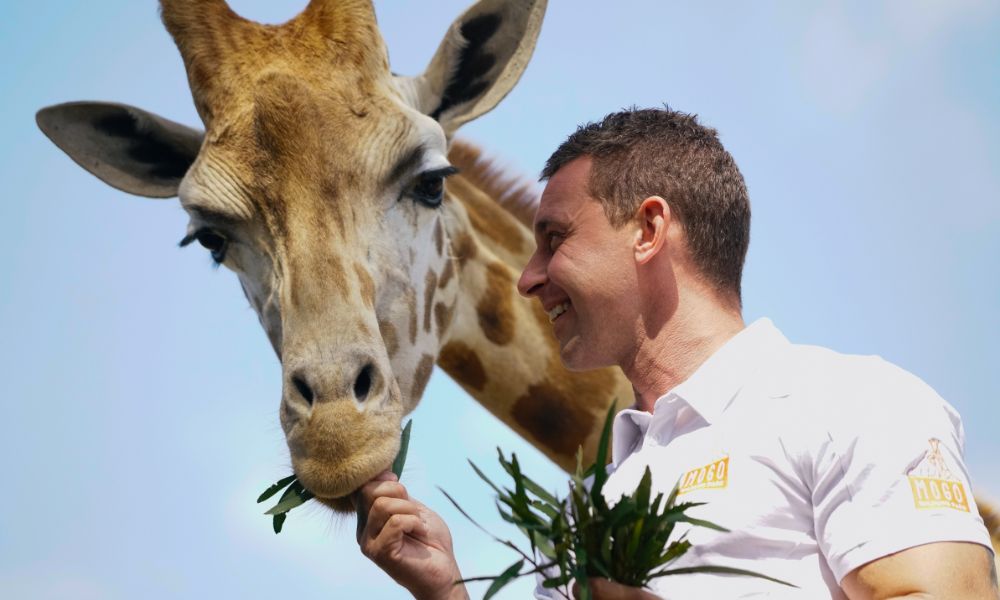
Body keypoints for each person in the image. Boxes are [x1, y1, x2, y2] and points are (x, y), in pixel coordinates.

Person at [354, 107, 998, 599]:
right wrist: (446, 590)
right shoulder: (591, 504)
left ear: (650, 230)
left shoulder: (855, 406)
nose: (529, 276)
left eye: (553, 239)